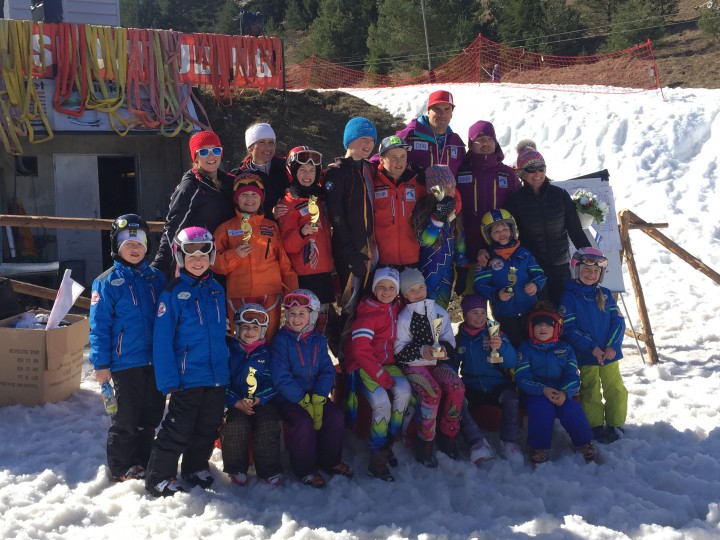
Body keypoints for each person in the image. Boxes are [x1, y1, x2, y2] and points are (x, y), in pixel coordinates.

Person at [145, 227, 230, 497]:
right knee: (178, 428)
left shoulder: (217, 290)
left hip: (216, 375)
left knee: (208, 425)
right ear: (180, 258)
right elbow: (162, 341)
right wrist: (169, 381)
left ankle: (195, 466)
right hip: (187, 377)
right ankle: (159, 476)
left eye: (203, 255)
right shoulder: (172, 293)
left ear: (211, 256)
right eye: (190, 256)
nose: (197, 261)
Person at [89, 214, 167, 482]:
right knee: (126, 418)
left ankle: (143, 460)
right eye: (127, 243)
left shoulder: (157, 278)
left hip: (154, 362)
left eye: (140, 243)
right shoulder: (106, 282)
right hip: (125, 363)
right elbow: (99, 327)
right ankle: (121, 466)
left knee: (150, 415)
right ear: (116, 246)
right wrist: (100, 364)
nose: (135, 248)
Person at [270, 290, 353, 488]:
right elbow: (280, 375)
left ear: (312, 316)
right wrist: (301, 399)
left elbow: (327, 370)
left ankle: (331, 460)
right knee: (303, 421)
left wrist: (319, 396)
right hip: (288, 398)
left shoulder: (319, 340)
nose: (296, 318)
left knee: (335, 416)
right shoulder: (282, 340)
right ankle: (305, 469)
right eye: (292, 313)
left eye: (301, 313)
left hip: (314, 395)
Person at [213, 172, 298, 342]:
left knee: (268, 340)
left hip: (270, 295)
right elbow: (213, 262)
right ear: (236, 199)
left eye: (254, 194)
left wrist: (293, 294)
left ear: (261, 198)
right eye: (244, 194)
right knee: (242, 342)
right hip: (239, 295)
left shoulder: (272, 227)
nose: (249, 199)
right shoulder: (226, 228)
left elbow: (284, 265)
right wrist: (235, 255)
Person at [344, 268, 412, 481]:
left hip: (388, 363)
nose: (386, 291)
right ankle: (377, 459)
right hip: (365, 365)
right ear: (374, 289)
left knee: (404, 391)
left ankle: (387, 442)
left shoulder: (396, 308)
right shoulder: (368, 314)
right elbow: (360, 351)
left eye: (391, 287)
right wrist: (380, 375)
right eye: (381, 286)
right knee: (382, 402)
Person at [505, 140, 591, 306]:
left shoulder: (560, 195)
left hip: (561, 266)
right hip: (532, 269)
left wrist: (590, 256)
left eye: (541, 168)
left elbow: (575, 230)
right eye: (531, 169)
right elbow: (511, 237)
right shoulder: (515, 200)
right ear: (522, 173)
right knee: (541, 313)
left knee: (565, 309)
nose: (537, 173)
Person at [394, 268, 464, 467]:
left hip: (437, 365)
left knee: (456, 387)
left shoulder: (439, 312)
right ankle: (425, 440)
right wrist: (421, 351)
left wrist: (445, 349)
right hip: (414, 367)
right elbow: (399, 350)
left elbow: (449, 339)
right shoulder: (404, 318)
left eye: (421, 288)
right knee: (432, 392)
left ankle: (448, 434)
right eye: (412, 290)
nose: (418, 293)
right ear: (405, 295)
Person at [559, 248, 627, 444]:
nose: (591, 274)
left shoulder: (605, 294)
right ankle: (595, 425)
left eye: (596, 271)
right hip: (587, 355)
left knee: (615, 388)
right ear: (576, 270)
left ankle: (615, 424)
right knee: (590, 390)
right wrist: (592, 348)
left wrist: (612, 346)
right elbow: (569, 329)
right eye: (587, 270)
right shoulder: (569, 297)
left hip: (609, 354)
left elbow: (618, 322)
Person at [514, 304, 596, 465]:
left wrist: (565, 392)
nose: (543, 328)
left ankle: (585, 442)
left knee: (572, 409)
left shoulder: (566, 349)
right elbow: (522, 377)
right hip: (535, 393)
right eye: (538, 324)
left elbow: (573, 376)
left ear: (556, 328)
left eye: (548, 324)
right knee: (541, 408)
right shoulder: (526, 348)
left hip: (561, 392)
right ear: (531, 328)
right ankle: (539, 447)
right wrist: (542, 389)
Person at [324, 117, 378, 349]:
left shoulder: (368, 169)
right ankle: (344, 355)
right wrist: (349, 252)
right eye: (363, 138)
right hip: (349, 250)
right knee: (348, 305)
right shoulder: (336, 172)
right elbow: (335, 216)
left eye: (371, 140)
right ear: (350, 140)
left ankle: (360, 353)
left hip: (370, 248)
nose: (368, 144)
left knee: (365, 305)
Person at [152, 131, 236, 279]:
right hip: (200, 261)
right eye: (204, 152)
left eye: (216, 150)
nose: (211, 156)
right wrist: (160, 266)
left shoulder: (231, 183)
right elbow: (173, 228)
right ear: (195, 157)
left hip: (229, 259)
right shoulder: (190, 187)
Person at [452, 294, 522, 463]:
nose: (480, 317)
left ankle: (509, 442)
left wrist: (502, 347)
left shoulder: (496, 333)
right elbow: (453, 366)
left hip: (497, 384)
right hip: (472, 386)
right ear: (465, 315)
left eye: (483, 312)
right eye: (474, 313)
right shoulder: (460, 339)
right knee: (456, 403)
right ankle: (477, 443)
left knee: (511, 399)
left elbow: (512, 361)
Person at [455, 120, 521, 294]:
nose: (486, 144)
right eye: (480, 140)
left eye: (490, 140)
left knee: (503, 298)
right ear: (471, 144)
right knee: (473, 301)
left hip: (502, 250)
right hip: (468, 250)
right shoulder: (460, 171)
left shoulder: (507, 174)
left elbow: (518, 210)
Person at [220, 304, 283, 487]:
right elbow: (221, 380)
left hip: (261, 401)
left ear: (262, 331)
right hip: (236, 401)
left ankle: (269, 470)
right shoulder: (228, 351)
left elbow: (273, 381)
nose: (250, 332)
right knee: (235, 425)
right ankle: (236, 468)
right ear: (237, 328)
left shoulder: (267, 353)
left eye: (255, 327)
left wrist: (260, 398)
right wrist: (234, 401)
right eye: (245, 327)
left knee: (267, 424)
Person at [277, 146, 335, 331]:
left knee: (323, 320)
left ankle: (320, 348)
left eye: (312, 170)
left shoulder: (321, 197)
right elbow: (287, 245)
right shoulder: (288, 203)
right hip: (303, 275)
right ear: (292, 172)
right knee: (304, 321)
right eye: (302, 170)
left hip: (325, 270)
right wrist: (301, 233)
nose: (307, 175)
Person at [473, 209, 547, 347]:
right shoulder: (487, 258)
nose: (501, 233)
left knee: (532, 344)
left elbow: (539, 274)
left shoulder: (524, 253)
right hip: (505, 314)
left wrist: (536, 285)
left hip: (529, 310)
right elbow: (479, 285)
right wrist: (496, 294)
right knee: (512, 345)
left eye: (505, 229)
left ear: (512, 230)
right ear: (488, 235)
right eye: (496, 231)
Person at [411, 164, 467, 309]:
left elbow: (460, 240)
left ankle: (440, 325)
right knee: (425, 309)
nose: (450, 192)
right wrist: (437, 218)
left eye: (452, 187)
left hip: (447, 271)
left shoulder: (456, 211)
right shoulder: (423, 209)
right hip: (427, 268)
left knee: (440, 312)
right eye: (445, 188)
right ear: (433, 189)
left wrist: (462, 267)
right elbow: (424, 241)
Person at [373, 135, 426, 268]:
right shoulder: (372, 183)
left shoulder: (416, 183)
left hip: (412, 257)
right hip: (382, 260)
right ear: (382, 160)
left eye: (403, 157)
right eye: (393, 157)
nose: (399, 162)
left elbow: (446, 193)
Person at [395, 90, 466, 176]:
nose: (442, 113)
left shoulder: (457, 143)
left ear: (451, 113)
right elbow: (385, 163)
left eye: (447, 109)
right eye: (437, 109)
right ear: (428, 112)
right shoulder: (407, 136)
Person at [233, 122, 289, 220]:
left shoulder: (286, 166)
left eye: (271, 142)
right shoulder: (243, 175)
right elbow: (242, 211)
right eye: (262, 142)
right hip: (262, 227)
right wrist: (270, 214)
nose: (268, 147)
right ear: (250, 148)